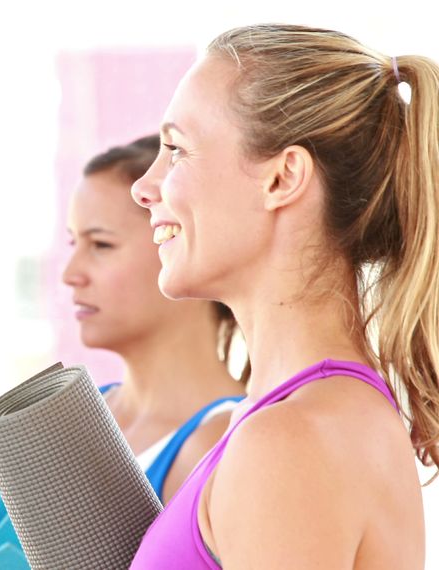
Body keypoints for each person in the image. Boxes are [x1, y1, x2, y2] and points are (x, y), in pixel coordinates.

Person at [130, 24, 434, 568]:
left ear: (282, 178)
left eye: (176, 150)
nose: (144, 186)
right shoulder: (294, 421)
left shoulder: (291, 443)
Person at [63, 135, 245, 502]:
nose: (70, 274)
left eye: (101, 245)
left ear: (177, 242)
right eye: (73, 244)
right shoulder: (74, 421)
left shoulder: (228, 445)